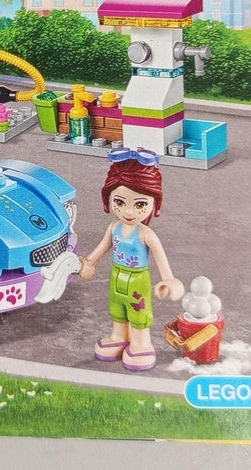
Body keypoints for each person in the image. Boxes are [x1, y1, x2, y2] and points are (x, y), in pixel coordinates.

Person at [78, 152, 183, 372]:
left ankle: (141, 344)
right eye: (119, 202)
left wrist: (168, 279)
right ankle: (118, 337)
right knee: (117, 309)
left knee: (139, 313)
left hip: (137, 281)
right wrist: (88, 262)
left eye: (140, 204)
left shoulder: (146, 234)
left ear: (154, 203)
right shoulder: (114, 227)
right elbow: (102, 247)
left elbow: (160, 258)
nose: (128, 211)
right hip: (116, 276)